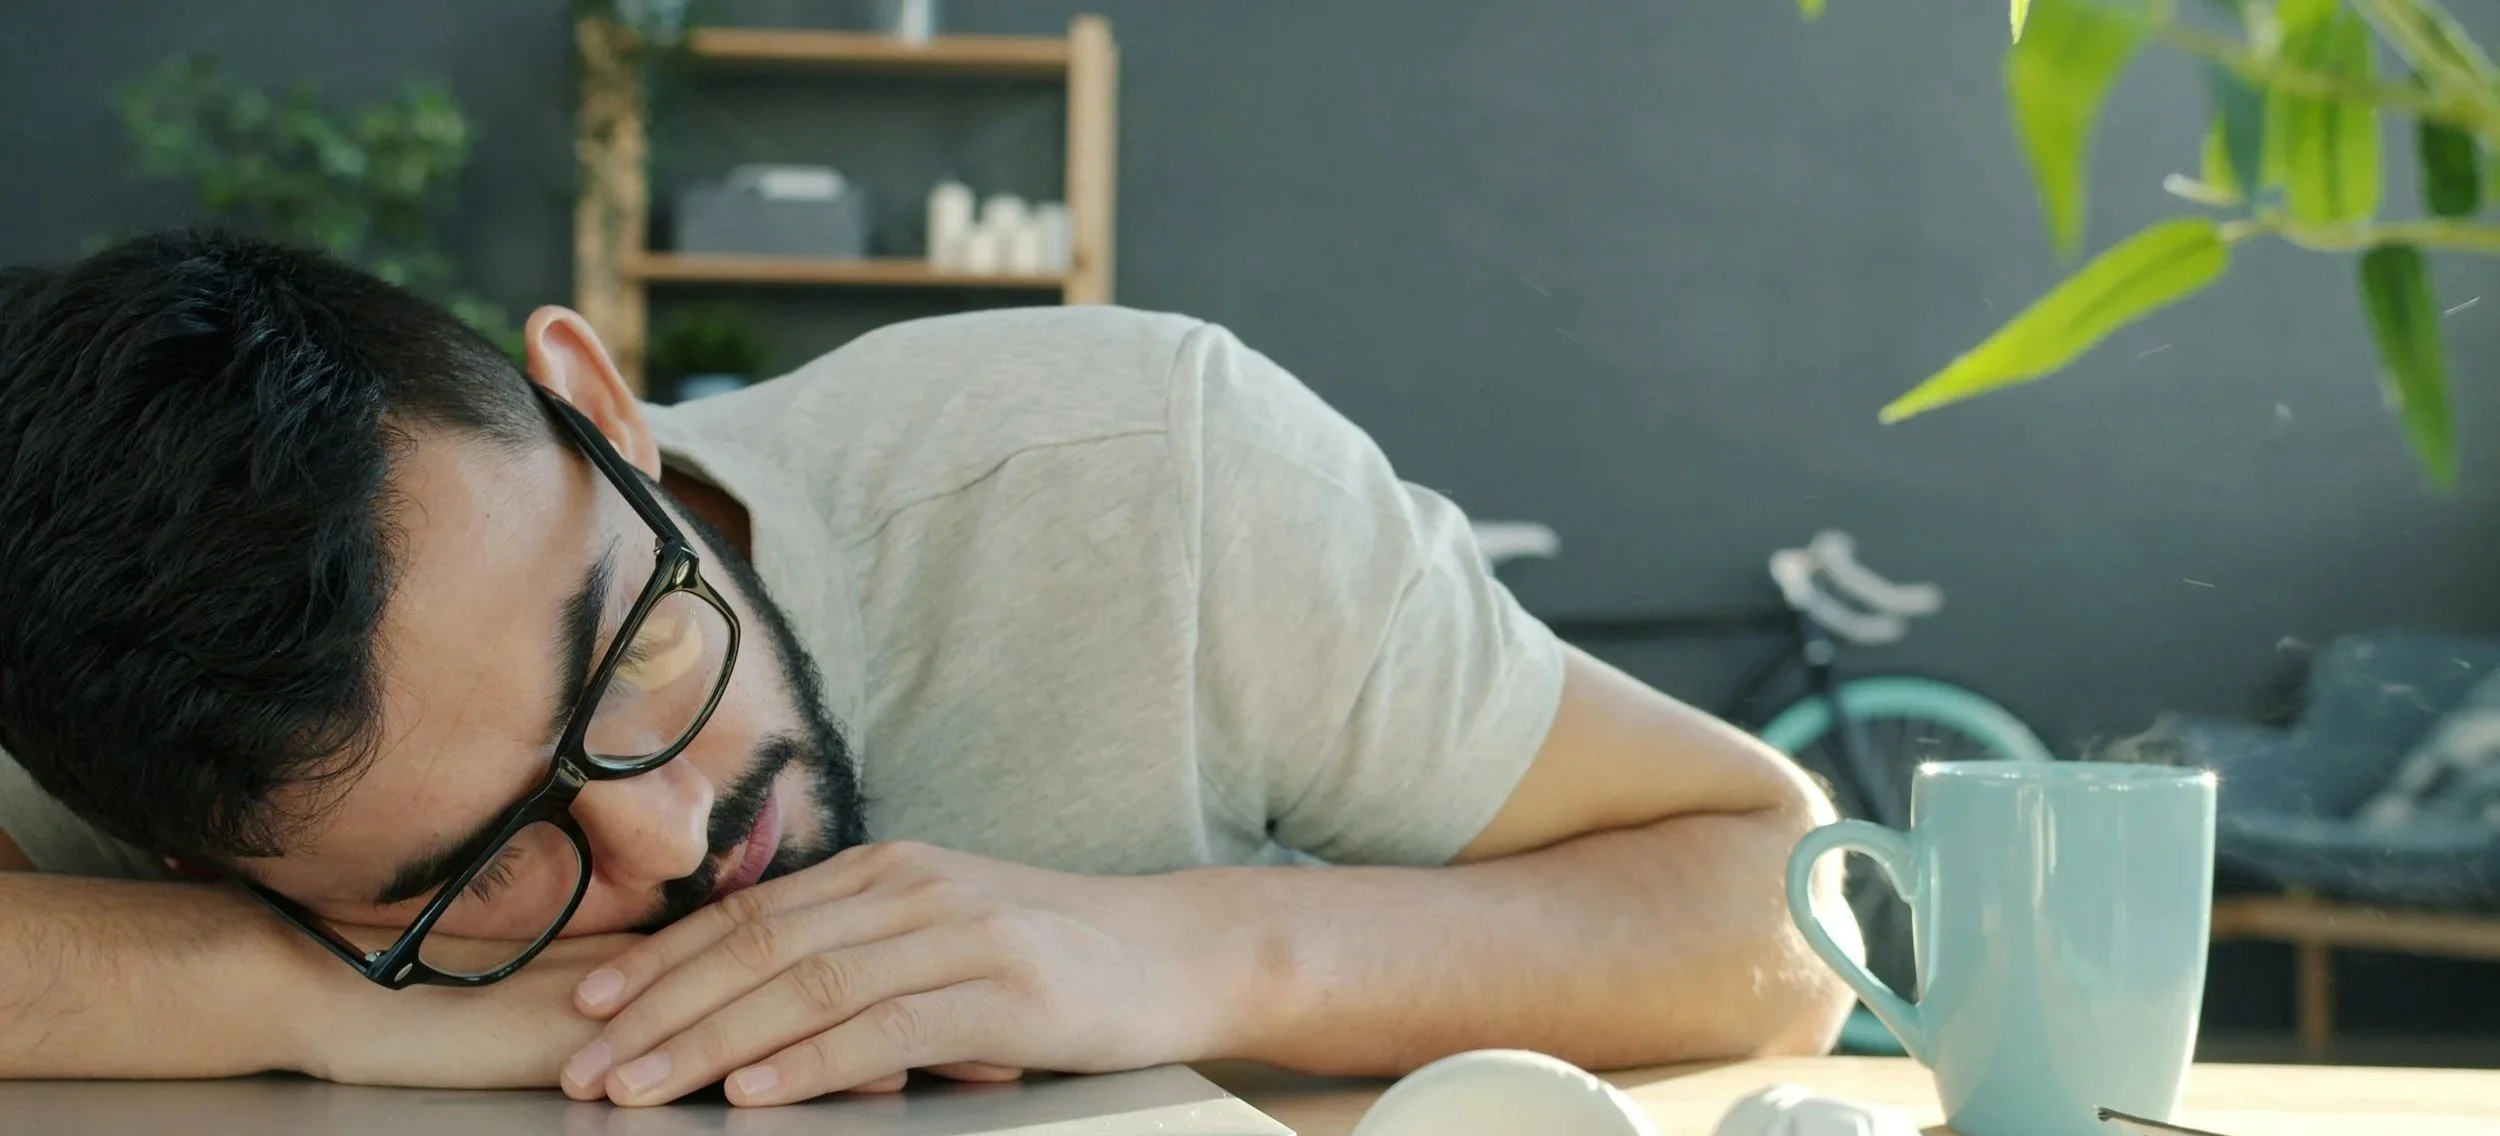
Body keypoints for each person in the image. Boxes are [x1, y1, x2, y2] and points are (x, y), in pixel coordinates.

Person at [0, 232, 1856, 1107]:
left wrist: (1196, 948)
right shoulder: (126, 727)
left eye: (627, 655)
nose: (662, 842)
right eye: (472, 874)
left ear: (601, 415)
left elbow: (1778, 918)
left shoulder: (1140, 477)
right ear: (198, 858)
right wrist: (305, 996)